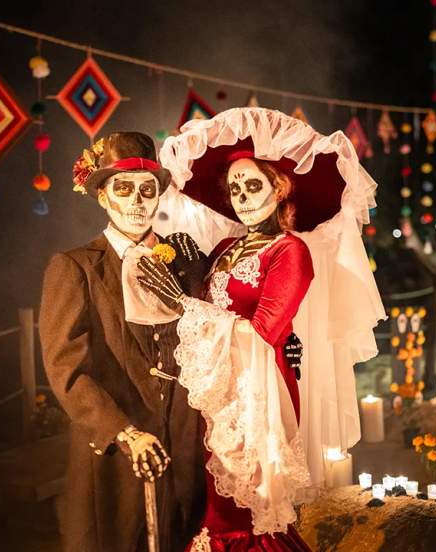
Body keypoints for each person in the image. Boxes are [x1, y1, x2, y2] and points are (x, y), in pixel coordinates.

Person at [135, 108, 386, 551]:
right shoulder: (227, 247)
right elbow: (216, 311)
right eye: (234, 188)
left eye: (254, 185)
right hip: (218, 392)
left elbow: (265, 330)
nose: (242, 197)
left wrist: (182, 305)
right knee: (217, 506)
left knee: (249, 515)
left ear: (279, 187)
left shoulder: (290, 251)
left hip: (259, 394)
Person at [38, 131, 208, 552]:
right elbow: (67, 369)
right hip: (116, 451)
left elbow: (208, 337)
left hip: (185, 444)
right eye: (124, 189)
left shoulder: (184, 258)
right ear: (103, 197)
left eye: (147, 190)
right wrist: (123, 432)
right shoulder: (75, 267)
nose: (137, 201)